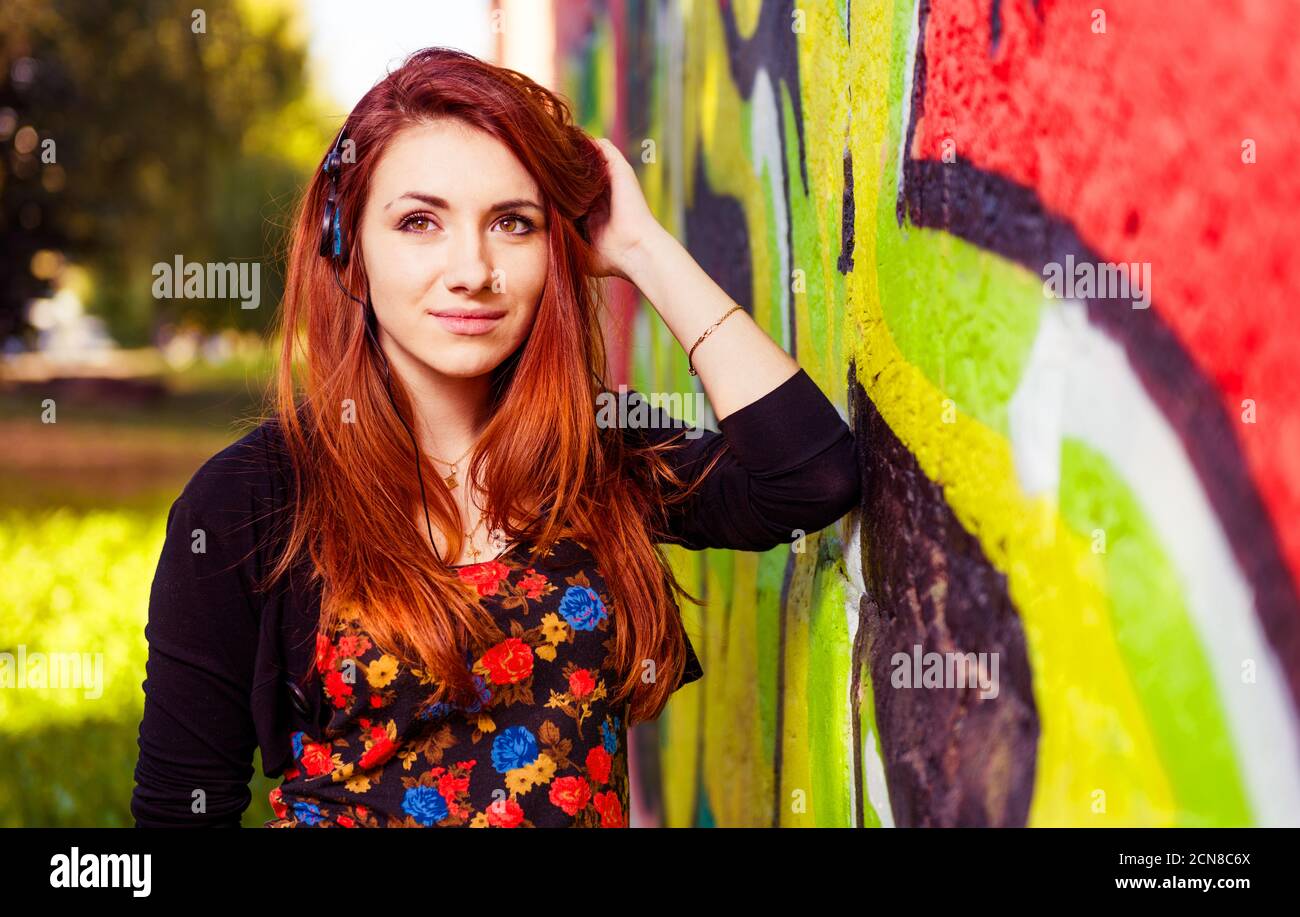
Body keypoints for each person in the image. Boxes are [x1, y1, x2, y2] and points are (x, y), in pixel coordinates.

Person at [130, 46, 859, 828]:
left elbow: (810, 479)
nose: (473, 269)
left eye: (513, 223)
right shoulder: (249, 500)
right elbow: (179, 814)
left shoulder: (594, 446)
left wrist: (643, 248)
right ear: (349, 245)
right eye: (419, 221)